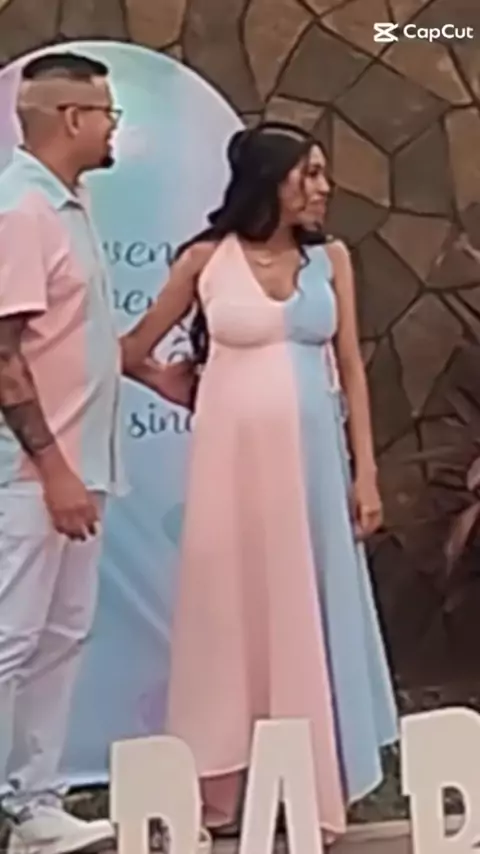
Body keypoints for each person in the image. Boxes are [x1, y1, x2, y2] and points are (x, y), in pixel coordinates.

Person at [122, 122, 398, 845]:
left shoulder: (331, 260)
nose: (324, 187)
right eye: (311, 173)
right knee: (229, 613)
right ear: (272, 180)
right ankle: (220, 788)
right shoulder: (206, 260)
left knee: (309, 605)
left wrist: (366, 472)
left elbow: (351, 369)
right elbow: (132, 350)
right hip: (230, 475)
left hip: (313, 473)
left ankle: (314, 793)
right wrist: (185, 387)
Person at [0, 51, 188, 854]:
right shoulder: (21, 210)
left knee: (58, 638)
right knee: (11, 638)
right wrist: (53, 472)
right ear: (70, 117)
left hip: (82, 469)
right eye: (107, 114)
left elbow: (68, 340)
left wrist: (148, 372)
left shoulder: (67, 207)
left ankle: (33, 805)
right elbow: (4, 356)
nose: (114, 128)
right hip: (31, 477)